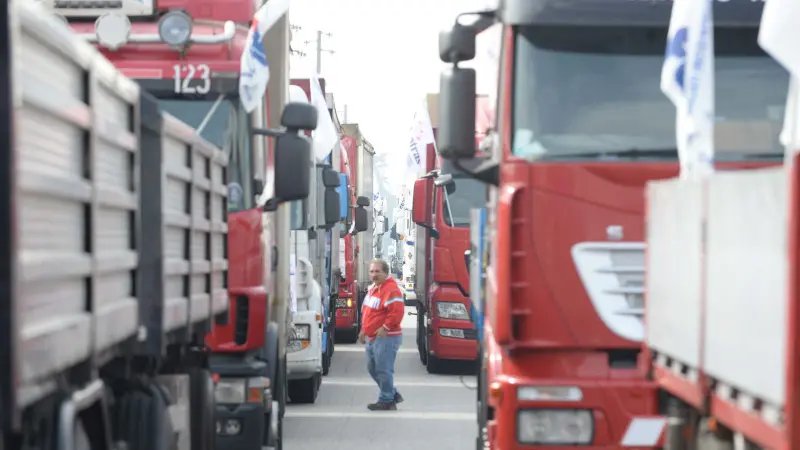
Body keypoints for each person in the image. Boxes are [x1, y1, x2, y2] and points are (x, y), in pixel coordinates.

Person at [359, 259, 405, 411]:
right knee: (372, 368)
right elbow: (367, 312)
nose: (374, 274)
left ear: (385, 272)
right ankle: (392, 394)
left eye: (377, 271)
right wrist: (363, 329)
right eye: (372, 271)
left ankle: (386, 400)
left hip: (387, 337)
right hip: (373, 337)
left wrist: (385, 327)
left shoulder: (391, 289)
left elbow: (397, 312)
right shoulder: (373, 288)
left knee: (383, 369)